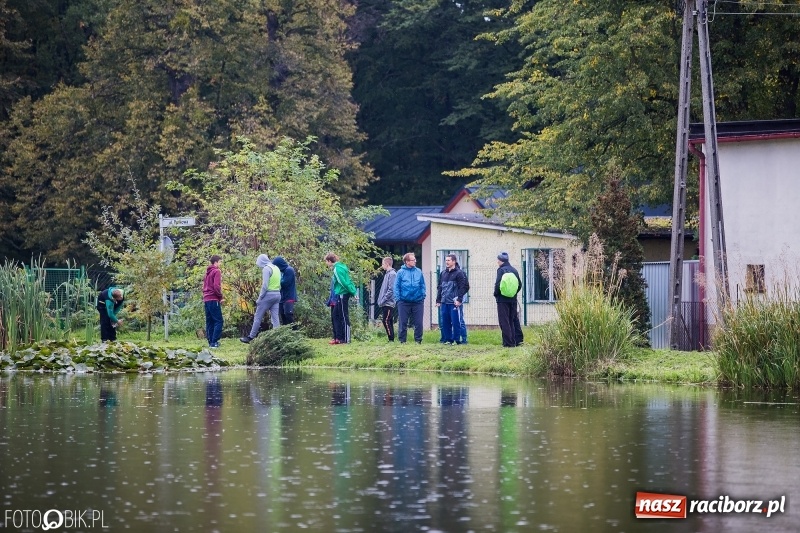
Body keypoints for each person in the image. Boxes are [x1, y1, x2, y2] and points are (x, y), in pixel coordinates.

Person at [240, 254, 281, 343]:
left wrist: (260, 298)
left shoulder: (266, 269)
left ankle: (251, 337)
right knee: (275, 318)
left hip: (268, 295)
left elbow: (265, 285)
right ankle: (278, 338)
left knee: (258, 317)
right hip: (277, 294)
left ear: (261, 261)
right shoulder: (276, 268)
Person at [436, 254, 470, 345]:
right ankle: (448, 340)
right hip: (444, 302)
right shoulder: (443, 273)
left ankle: (458, 340)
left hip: (454, 302)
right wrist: (438, 300)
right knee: (445, 322)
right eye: (446, 260)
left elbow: (464, 287)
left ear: (454, 261)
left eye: (449, 260)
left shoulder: (459, 273)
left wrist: (459, 299)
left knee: (457, 322)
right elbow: (440, 287)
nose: (446, 262)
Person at [394, 252, 426, 344]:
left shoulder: (419, 271)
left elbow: (422, 285)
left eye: (415, 259)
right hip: (403, 301)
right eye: (413, 260)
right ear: (407, 261)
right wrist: (398, 299)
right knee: (403, 322)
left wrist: (422, 295)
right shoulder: (400, 272)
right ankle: (402, 340)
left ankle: (418, 340)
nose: (415, 261)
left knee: (418, 322)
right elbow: (396, 286)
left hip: (418, 301)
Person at [325, 252, 357, 344]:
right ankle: (340, 338)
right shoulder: (341, 266)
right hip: (340, 294)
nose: (326, 263)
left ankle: (347, 339)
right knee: (336, 314)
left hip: (343, 293)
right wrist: (353, 291)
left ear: (329, 261)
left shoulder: (337, 269)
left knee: (344, 315)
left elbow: (343, 282)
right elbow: (348, 280)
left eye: (326, 262)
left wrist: (353, 292)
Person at [494, 251, 524, 347]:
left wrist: (496, 294)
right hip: (513, 298)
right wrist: (513, 293)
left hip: (502, 299)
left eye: (498, 260)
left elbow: (498, 284)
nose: (497, 262)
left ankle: (508, 343)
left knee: (504, 321)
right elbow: (519, 284)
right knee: (513, 319)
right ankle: (518, 340)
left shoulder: (501, 270)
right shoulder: (514, 270)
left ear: (501, 260)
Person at [202, 255, 224, 348]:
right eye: (220, 262)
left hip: (206, 298)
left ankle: (210, 341)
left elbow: (204, 286)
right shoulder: (216, 271)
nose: (220, 264)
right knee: (219, 321)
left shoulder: (207, 272)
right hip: (213, 298)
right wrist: (220, 297)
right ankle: (214, 342)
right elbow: (216, 286)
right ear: (216, 262)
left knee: (209, 321)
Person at [376, 256, 396, 342]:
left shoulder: (392, 274)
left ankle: (391, 339)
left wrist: (383, 300)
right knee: (389, 320)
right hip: (385, 302)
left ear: (387, 264)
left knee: (386, 320)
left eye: (383, 264)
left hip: (388, 302)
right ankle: (391, 339)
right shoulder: (387, 274)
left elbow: (391, 290)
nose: (382, 265)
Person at [272, 256, 297, 327]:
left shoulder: (289, 270)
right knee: (282, 315)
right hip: (282, 296)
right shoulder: (282, 272)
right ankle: (286, 331)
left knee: (288, 314)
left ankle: (295, 331)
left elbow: (285, 283)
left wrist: (277, 280)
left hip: (289, 296)